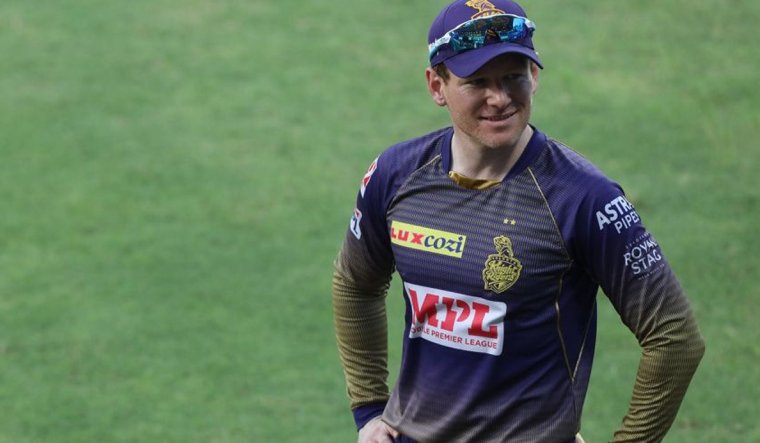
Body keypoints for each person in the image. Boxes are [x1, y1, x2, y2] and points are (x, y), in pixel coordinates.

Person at [331, 0, 705, 441]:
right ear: (437, 85)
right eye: (477, 82)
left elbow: (674, 336)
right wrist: (369, 408)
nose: (500, 98)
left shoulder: (584, 198)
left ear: (535, 76)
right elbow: (355, 284)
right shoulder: (395, 175)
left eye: (513, 76)